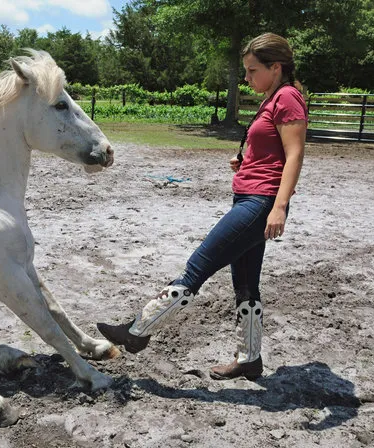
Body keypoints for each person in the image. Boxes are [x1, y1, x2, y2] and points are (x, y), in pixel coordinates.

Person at [97, 33, 308, 380]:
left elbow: (296, 153)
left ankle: (137, 332)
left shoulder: (287, 99)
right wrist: (245, 163)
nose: (246, 78)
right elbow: (273, 151)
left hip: (261, 202)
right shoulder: (272, 98)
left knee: (198, 267)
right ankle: (250, 359)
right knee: (245, 284)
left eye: (252, 71)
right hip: (251, 196)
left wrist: (280, 206)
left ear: (276, 67)